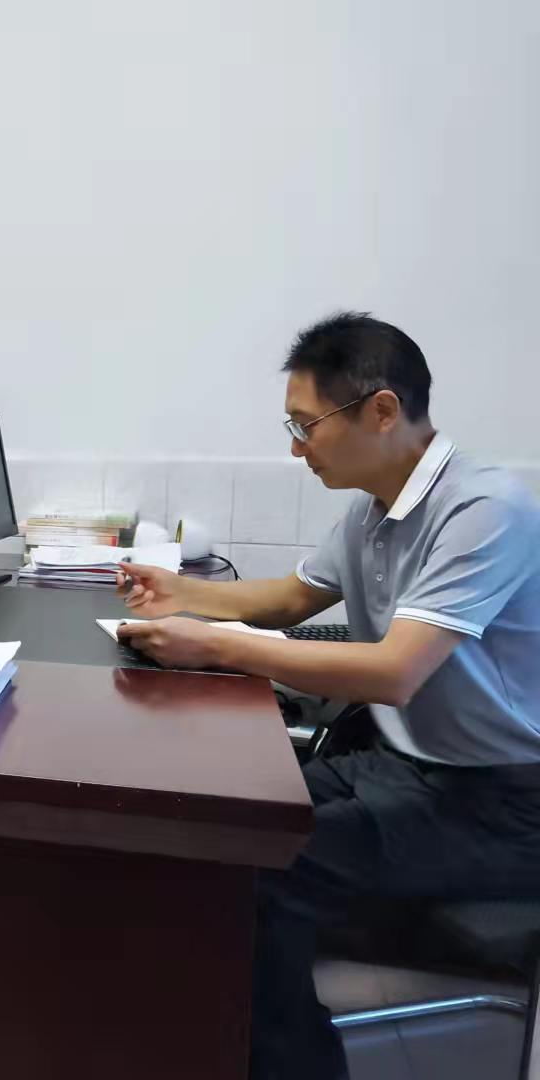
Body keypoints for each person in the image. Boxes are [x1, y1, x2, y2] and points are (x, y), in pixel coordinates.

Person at [117, 312, 540, 1080]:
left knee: (262, 867)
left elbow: (394, 672)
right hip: (405, 765)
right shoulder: (373, 509)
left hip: (502, 801)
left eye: (305, 426)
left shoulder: (485, 510)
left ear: (381, 410)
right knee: (220, 818)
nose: (296, 447)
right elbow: (289, 599)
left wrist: (211, 644)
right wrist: (179, 593)